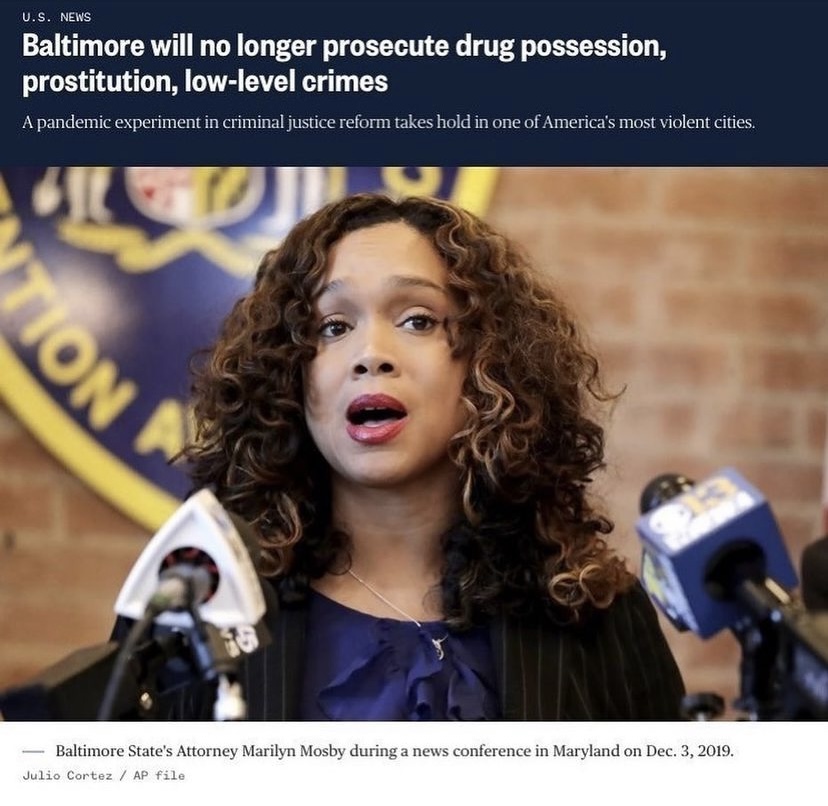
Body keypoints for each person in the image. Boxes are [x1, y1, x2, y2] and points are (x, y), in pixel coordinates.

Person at [166, 192, 685, 720]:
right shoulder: (191, 611)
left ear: (489, 365)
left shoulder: (594, 612)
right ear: (288, 375)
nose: (371, 355)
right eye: (333, 327)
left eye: (418, 320)